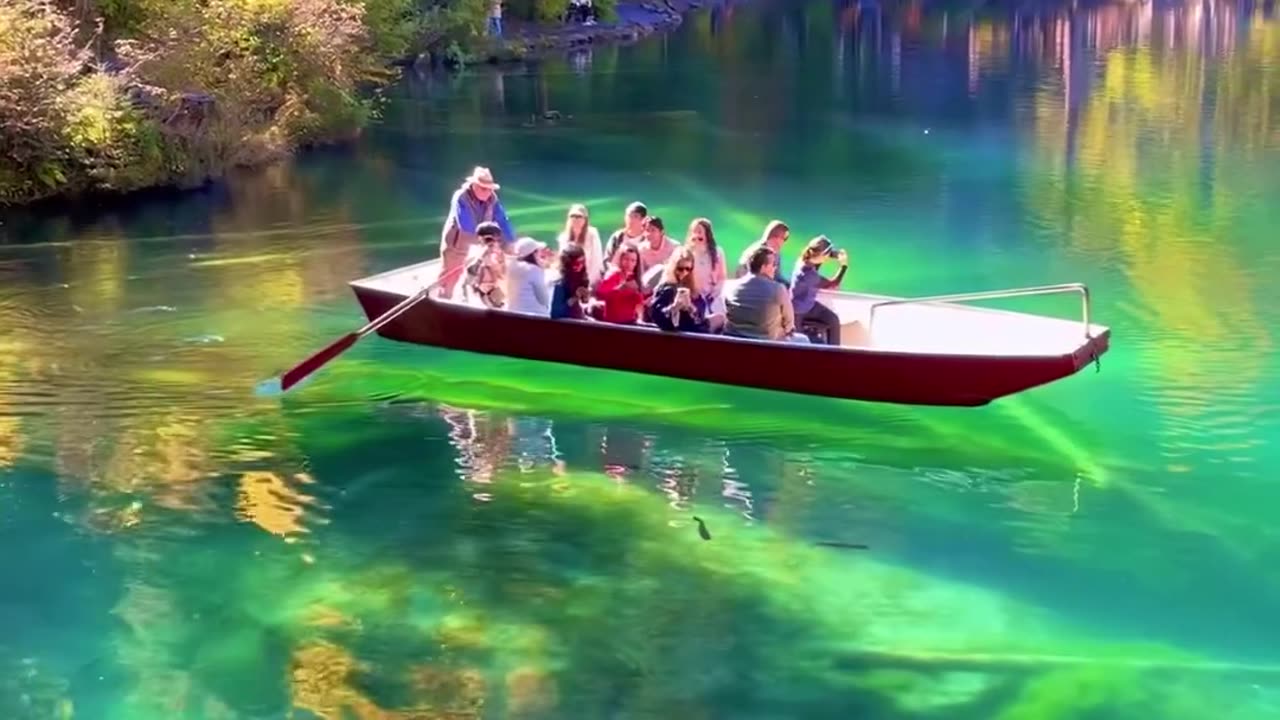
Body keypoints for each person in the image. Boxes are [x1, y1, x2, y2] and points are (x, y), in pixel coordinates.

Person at [438, 166, 515, 298]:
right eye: (483, 188)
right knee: (450, 276)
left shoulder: (492, 199)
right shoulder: (461, 198)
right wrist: (486, 241)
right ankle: (443, 300)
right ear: (473, 185)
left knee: (492, 271)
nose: (488, 192)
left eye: (490, 189)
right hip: (457, 244)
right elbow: (466, 225)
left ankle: (490, 302)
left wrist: (511, 242)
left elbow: (502, 220)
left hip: (481, 242)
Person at [724, 246, 809, 343]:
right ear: (763, 267)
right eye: (773, 264)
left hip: (734, 343)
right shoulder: (778, 289)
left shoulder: (730, 287)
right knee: (804, 340)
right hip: (766, 346)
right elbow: (789, 326)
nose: (775, 268)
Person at [790, 235, 849, 345]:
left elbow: (818, 259)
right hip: (798, 312)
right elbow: (834, 284)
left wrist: (833, 255)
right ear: (821, 255)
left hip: (808, 304)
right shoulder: (808, 274)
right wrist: (844, 266)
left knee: (833, 319)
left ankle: (834, 351)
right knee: (801, 343)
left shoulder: (804, 259)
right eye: (827, 254)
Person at [650, 248, 710, 333]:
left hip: (692, 332)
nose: (684, 272)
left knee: (718, 319)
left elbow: (701, 313)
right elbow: (656, 315)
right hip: (671, 333)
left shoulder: (693, 288)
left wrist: (690, 307)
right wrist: (674, 307)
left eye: (688, 269)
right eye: (680, 268)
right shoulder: (666, 288)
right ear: (673, 267)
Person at [594, 245, 647, 325]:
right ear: (621, 259)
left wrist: (640, 318)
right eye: (626, 259)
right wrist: (620, 288)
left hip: (629, 322)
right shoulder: (613, 275)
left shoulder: (634, 280)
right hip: (611, 323)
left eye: (633, 261)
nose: (629, 263)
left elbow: (639, 304)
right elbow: (601, 293)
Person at [686, 217, 728, 317]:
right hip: (693, 295)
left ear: (707, 234)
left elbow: (722, 277)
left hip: (711, 296)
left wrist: (715, 292)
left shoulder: (717, 252)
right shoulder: (687, 252)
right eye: (694, 232)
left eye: (699, 231)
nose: (696, 235)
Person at [462, 221, 507, 308]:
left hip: (495, 293)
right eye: (489, 239)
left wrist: (501, 259)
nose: (494, 242)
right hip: (481, 295)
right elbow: (470, 276)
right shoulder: (474, 253)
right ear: (480, 238)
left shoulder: (497, 253)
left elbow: (503, 274)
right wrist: (481, 256)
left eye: (497, 239)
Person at [557, 204, 605, 284]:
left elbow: (597, 261)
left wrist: (588, 283)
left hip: (589, 280)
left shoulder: (592, 234)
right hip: (569, 280)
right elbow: (562, 262)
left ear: (585, 219)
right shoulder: (563, 237)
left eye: (579, 216)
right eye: (572, 216)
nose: (575, 219)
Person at [506, 237, 551, 315]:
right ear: (533, 253)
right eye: (537, 251)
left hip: (512, 314)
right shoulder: (534, 270)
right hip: (534, 316)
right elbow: (544, 300)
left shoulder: (511, 268)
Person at [736, 220, 790, 284]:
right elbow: (743, 274)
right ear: (774, 236)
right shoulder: (755, 252)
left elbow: (777, 276)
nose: (782, 242)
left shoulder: (776, 253)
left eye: (784, 239)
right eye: (783, 238)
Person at [550, 244, 593, 320]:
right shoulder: (560, 282)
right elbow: (555, 313)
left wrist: (586, 296)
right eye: (576, 263)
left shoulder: (582, 276)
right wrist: (574, 298)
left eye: (582, 262)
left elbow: (583, 302)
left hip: (577, 317)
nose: (580, 266)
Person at [638, 216, 679, 291]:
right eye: (647, 230)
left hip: (670, 285)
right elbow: (641, 274)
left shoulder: (674, 247)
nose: (649, 234)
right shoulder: (641, 249)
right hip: (649, 287)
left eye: (653, 230)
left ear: (661, 232)